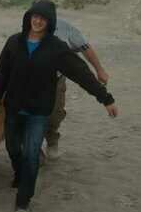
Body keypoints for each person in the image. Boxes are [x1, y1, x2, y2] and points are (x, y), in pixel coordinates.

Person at [0, 0, 118, 212]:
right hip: (14, 107)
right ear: (29, 17)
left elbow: (80, 73)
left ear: (50, 22)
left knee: (31, 153)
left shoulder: (56, 47)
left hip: (39, 110)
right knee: (13, 148)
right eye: (35, 16)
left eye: (43, 18)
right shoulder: (14, 42)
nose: (38, 21)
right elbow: (1, 74)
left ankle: (23, 199)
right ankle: (20, 175)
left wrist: (105, 98)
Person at [45, 13, 110, 161]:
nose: (39, 19)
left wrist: (99, 70)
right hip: (32, 79)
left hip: (56, 79)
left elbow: (85, 47)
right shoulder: (28, 26)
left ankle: (52, 141)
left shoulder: (65, 28)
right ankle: (33, 149)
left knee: (55, 113)